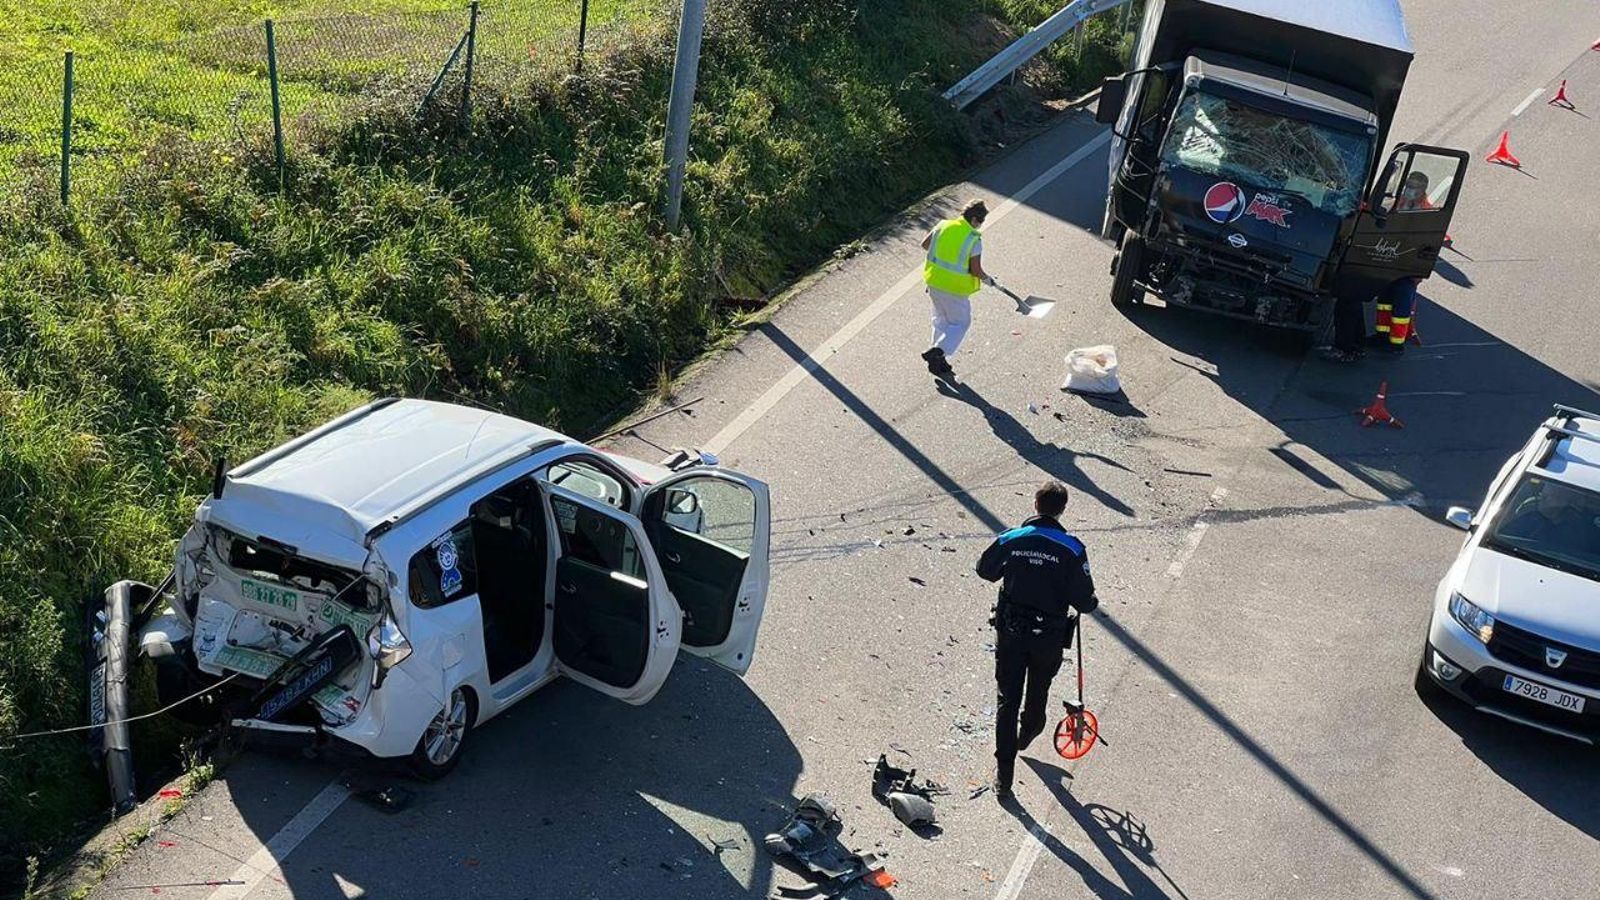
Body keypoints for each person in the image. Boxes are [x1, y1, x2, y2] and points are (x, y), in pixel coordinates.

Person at [976, 480, 1099, 799]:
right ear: (1062, 510)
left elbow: (985, 570)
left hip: (1012, 632)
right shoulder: (1072, 549)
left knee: (1007, 699)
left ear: (1036, 505)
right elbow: (1084, 600)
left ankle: (1004, 775)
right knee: (1038, 689)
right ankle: (1029, 729)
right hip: (1049, 637)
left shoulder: (1012, 538)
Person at [919, 200, 993, 380]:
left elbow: (925, 245)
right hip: (954, 288)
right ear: (974, 219)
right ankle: (938, 351)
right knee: (961, 323)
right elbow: (976, 270)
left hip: (934, 281)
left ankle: (938, 361)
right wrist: (988, 279)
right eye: (981, 221)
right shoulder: (973, 239)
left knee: (941, 320)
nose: (980, 225)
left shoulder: (943, 225)